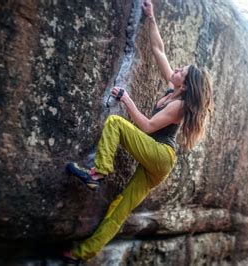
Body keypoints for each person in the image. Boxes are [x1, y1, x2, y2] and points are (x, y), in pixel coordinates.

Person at [62, 0, 213, 262]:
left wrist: (127, 99)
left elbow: (147, 127)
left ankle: (98, 173)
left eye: (181, 71)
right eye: (178, 68)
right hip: (154, 163)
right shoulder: (172, 89)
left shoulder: (179, 105)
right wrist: (151, 17)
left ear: (186, 85)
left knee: (116, 123)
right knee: (119, 208)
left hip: (161, 156)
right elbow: (158, 49)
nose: (176, 69)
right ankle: (82, 253)